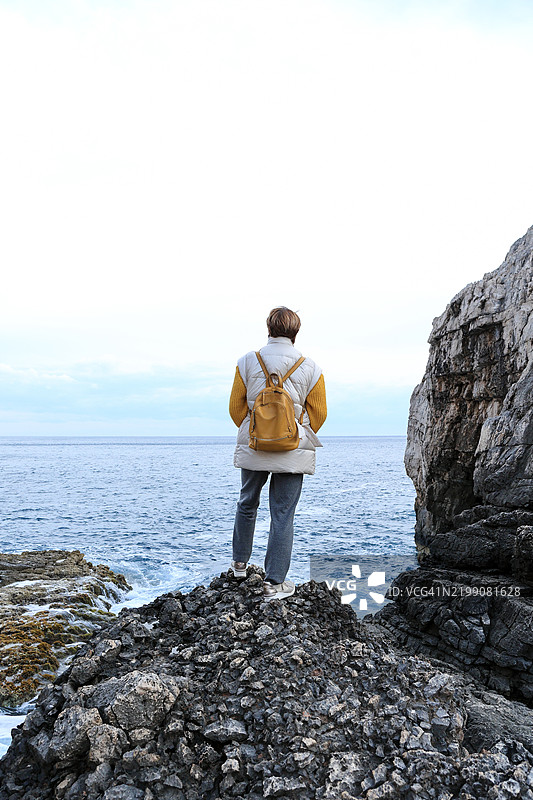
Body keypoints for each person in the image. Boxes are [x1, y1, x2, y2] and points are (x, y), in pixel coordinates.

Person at [228, 306, 327, 600]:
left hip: (255, 445)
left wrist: (257, 431)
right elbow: (319, 414)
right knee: (282, 514)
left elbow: (235, 408)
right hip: (292, 449)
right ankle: (274, 583)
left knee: (247, 502)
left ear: (269, 328)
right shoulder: (311, 368)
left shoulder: (247, 361)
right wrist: (294, 432)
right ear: (296, 332)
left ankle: (239, 565)